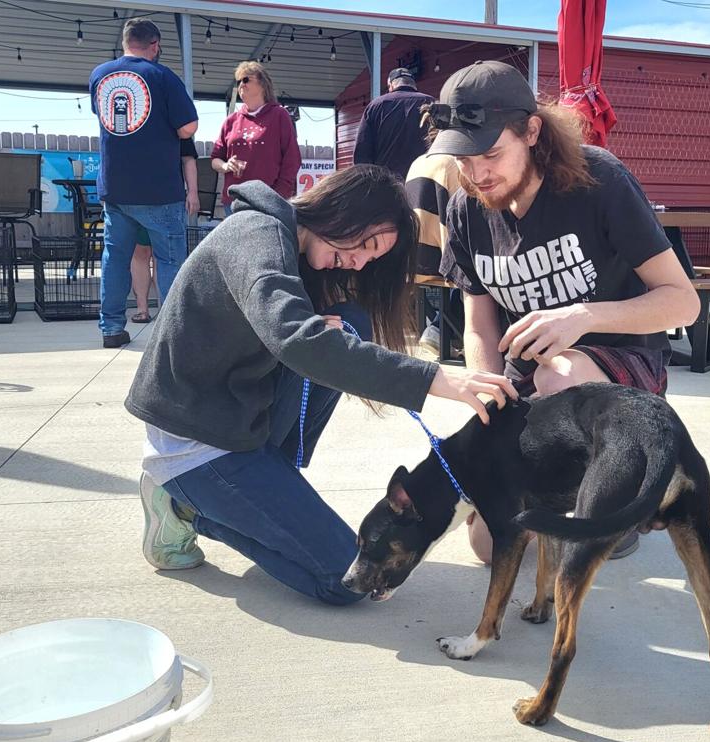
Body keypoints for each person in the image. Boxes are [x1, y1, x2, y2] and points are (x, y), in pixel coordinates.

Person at [126, 164, 517, 606]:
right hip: (197, 441)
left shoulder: (293, 250)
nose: (359, 262)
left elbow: (304, 339)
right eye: (366, 245)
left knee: (348, 324)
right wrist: (434, 378)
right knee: (348, 581)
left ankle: (264, 484)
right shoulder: (255, 234)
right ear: (343, 209)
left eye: (371, 260)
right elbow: (295, 340)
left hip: (237, 420)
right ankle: (182, 507)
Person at [426, 61, 701, 564]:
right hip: (529, 377)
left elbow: (683, 301)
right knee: (488, 547)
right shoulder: (466, 209)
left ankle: (615, 492)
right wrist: (489, 393)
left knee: (560, 372)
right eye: (463, 159)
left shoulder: (599, 180)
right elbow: (478, 323)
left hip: (619, 370)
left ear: (532, 132)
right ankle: (567, 498)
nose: (477, 174)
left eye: (491, 154)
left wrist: (583, 316)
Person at [90, 18, 198, 349]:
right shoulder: (163, 76)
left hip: (116, 188)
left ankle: (111, 328)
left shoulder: (99, 76)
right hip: (158, 188)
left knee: (115, 258)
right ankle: (174, 335)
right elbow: (188, 128)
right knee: (170, 261)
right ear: (155, 45)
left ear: (125, 42)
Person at [211, 61, 301, 217]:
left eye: (246, 79)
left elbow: (292, 159)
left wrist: (278, 195)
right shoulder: (231, 121)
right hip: (234, 202)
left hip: (267, 202)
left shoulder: (279, 115)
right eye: (238, 81)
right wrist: (225, 165)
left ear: (263, 84)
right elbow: (215, 159)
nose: (241, 85)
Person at [130, 139, 201, 323]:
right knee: (140, 252)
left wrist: (193, 192)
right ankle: (142, 309)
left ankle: (167, 312)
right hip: (135, 197)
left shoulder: (179, 126)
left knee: (164, 255)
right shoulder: (133, 125)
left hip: (168, 199)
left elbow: (188, 158)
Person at [405, 152, 464, 355]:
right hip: (443, 261)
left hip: (415, 260)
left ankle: (439, 329)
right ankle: (441, 329)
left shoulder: (417, 162)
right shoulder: (454, 163)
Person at [353, 67, 433, 179]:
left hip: (387, 182)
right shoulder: (431, 103)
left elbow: (362, 151)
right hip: (425, 179)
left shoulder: (376, 105)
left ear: (390, 85)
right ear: (413, 84)